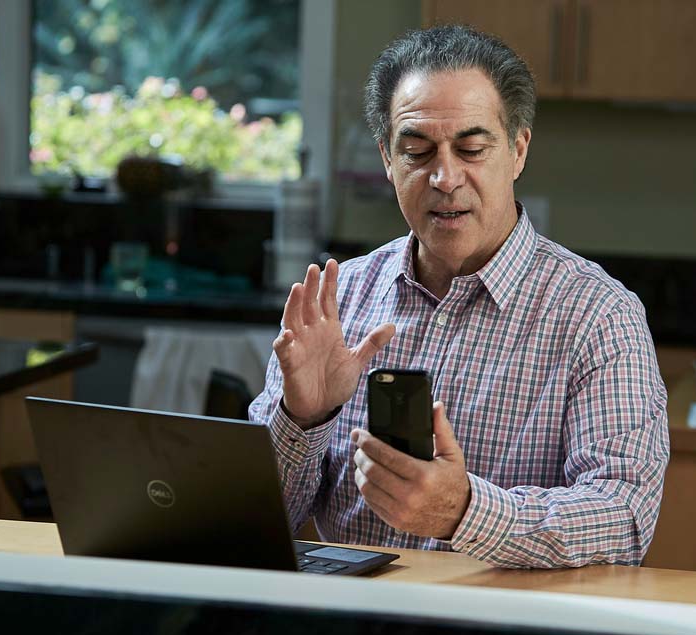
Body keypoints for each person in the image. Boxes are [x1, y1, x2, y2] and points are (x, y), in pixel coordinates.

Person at [248, 24, 669, 568]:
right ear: (387, 160)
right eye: (418, 152)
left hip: (505, 633)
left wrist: (465, 511)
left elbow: (623, 519)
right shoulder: (339, 300)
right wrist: (303, 418)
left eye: (471, 148)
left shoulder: (599, 316)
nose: (445, 178)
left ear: (517, 151)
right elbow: (256, 516)